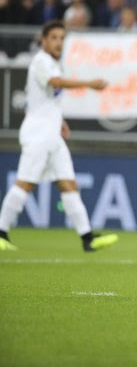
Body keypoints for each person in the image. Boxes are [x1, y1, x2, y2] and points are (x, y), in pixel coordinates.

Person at [0, 21, 119, 252]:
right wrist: (89, 83)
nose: (58, 42)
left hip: (52, 134)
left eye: (62, 38)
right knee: (25, 183)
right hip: (38, 134)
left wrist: (60, 121)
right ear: (43, 40)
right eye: (53, 37)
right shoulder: (41, 61)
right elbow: (55, 83)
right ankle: (1, 231)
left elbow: (45, 99)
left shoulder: (53, 63)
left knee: (68, 183)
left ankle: (87, 237)